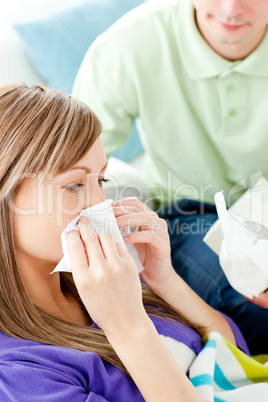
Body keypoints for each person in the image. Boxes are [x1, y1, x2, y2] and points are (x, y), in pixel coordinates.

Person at [0, 83, 249, 401]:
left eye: (100, 180)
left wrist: (164, 280)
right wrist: (127, 326)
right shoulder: (17, 375)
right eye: (75, 185)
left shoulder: (104, 285)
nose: (96, 203)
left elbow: (234, 362)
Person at [72, 0, 268, 354]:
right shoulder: (129, 45)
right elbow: (69, 161)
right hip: (189, 214)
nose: (231, 8)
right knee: (243, 295)